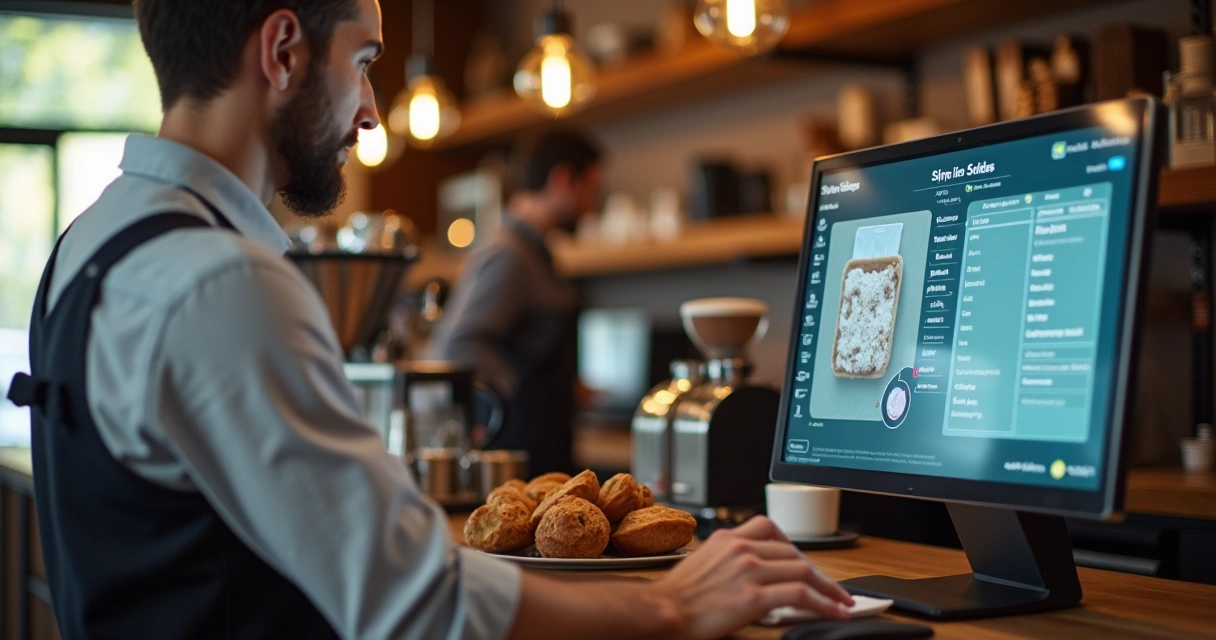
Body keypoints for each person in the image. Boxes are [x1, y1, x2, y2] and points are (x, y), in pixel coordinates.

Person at [6, 0, 854, 638]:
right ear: (283, 51)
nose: (371, 111)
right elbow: (417, 605)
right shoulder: (223, 283)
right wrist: (670, 606)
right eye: (363, 61)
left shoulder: (90, 243)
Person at [427, 129, 601, 475]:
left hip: (545, 450)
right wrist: (522, 391)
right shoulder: (509, 254)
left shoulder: (534, 253)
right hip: (520, 460)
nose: (592, 205)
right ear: (562, 180)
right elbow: (458, 344)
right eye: (590, 190)